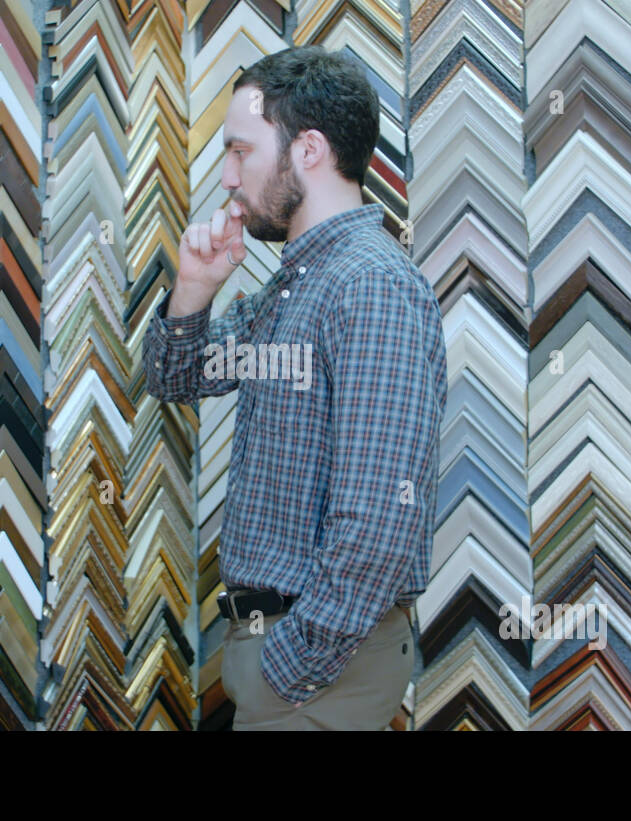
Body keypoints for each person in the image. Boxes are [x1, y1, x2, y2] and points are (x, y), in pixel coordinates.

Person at [143, 45, 447, 730]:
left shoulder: (370, 285)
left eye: (240, 151)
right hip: (283, 656)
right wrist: (194, 288)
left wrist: (292, 664)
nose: (226, 176)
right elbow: (177, 378)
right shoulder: (295, 284)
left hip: (317, 669)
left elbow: (378, 518)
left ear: (307, 150)